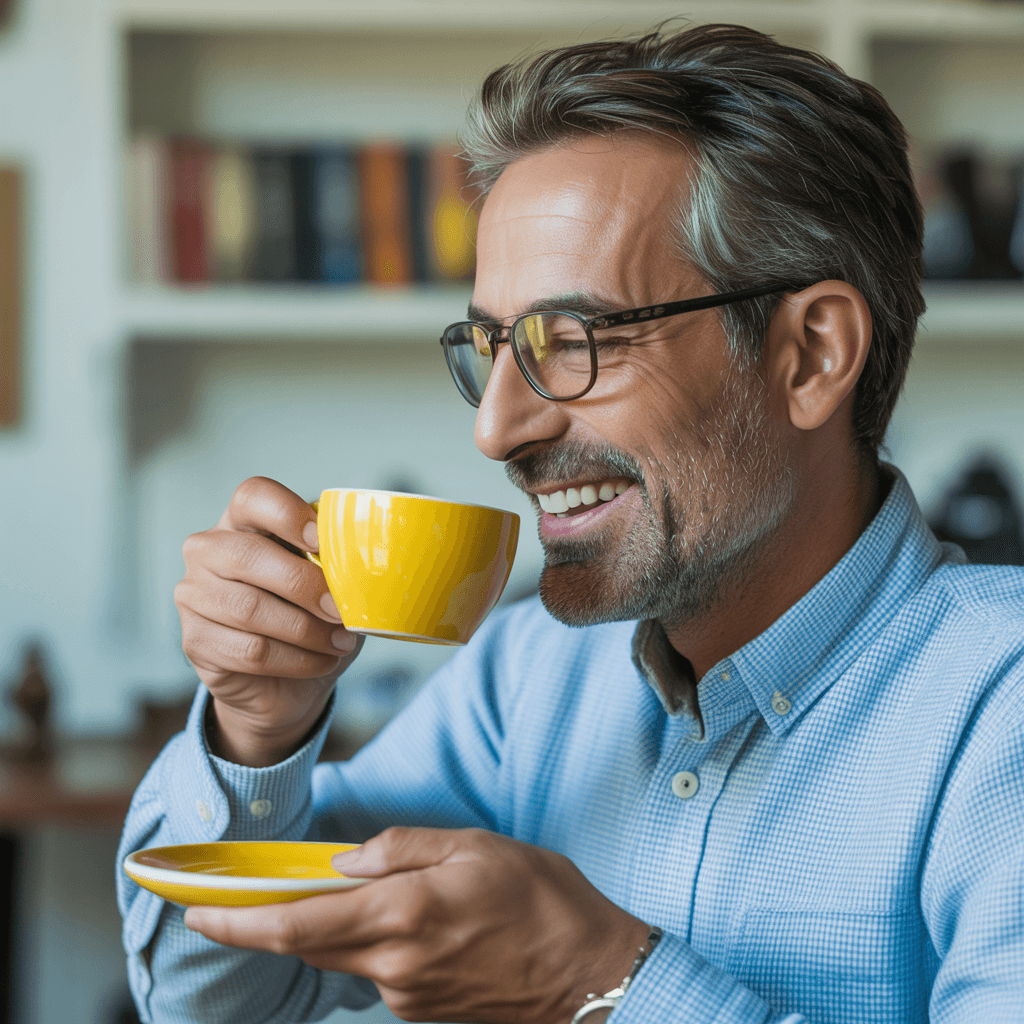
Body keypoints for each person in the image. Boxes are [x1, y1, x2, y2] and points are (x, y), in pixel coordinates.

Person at [117, 23, 1024, 1024]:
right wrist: (255, 731)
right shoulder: (525, 677)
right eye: (491, 345)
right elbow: (227, 1002)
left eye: (575, 341)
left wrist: (602, 985)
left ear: (809, 355)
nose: (496, 427)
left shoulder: (1001, 707)